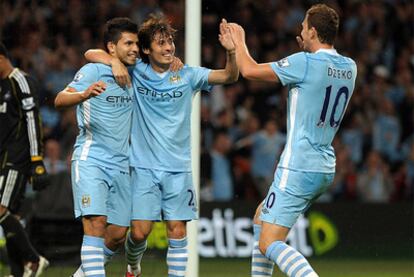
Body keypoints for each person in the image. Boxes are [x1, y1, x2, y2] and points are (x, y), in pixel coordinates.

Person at [85, 14, 238, 277]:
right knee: (139, 232)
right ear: (146, 49)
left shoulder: (187, 74)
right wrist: (114, 62)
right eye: (161, 43)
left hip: (179, 168)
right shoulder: (138, 71)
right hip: (143, 167)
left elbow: (229, 76)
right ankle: (133, 265)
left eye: (170, 42)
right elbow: (89, 53)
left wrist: (232, 52)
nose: (169, 48)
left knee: (177, 230)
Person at [228, 4, 357, 277]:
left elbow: (249, 70)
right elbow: (321, 77)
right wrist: (308, 50)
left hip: (298, 164)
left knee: (268, 242)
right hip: (323, 165)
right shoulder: (350, 67)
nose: (299, 30)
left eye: (303, 26)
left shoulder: (304, 63)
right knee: (260, 219)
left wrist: (239, 42)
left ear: (311, 31)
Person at [54, 18, 138, 277]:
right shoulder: (92, 71)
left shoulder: (137, 72)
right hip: (92, 159)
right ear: (112, 47)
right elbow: (59, 99)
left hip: (122, 163)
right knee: (96, 223)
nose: (135, 48)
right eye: (129, 43)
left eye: (136, 43)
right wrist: (84, 94)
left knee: (117, 235)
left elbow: (94, 50)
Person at [0, 42, 50, 277]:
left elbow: (32, 121)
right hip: (3, 158)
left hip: (17, 159)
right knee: (13, 217)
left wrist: (37, 159)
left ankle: (33, 259)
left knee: (0, 209)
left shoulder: (20, 80)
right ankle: (18, 272)